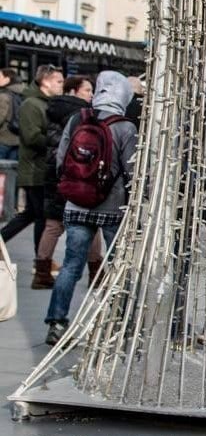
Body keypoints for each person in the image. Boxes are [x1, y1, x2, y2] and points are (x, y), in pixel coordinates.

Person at [45, 71, 137, 345]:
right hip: (111, 206)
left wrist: (75, 187)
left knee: (71, 266)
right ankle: (120, 321)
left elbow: (61, 159)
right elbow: (132, 170)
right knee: (118, 264)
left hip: (76, 204)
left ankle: (56, 322)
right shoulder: (125, 127)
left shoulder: (78, 119)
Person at [33, 75, 103, 289]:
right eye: (87, 90)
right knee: (90, 223)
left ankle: (42, 272)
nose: (91, 95)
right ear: (74, 91)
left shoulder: (53, 107)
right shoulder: (83, 115)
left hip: (55, 172)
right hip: (77, 173)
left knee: (53, 225)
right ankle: (96, 273)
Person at [2, 64, 64, 254]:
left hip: (39, 168)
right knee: (40, 217)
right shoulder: (32, 104)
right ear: (45, 81)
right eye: (58, 81)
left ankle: (38, 259)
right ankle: (41, 261)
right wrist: (58, 143)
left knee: (30, 214)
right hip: (34, 169)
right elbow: (31, 137)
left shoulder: (44, 102)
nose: (62, 85)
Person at [0, 67, 23, 160]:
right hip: (17, 140)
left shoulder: (3, 96)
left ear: (7, 79)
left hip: (3, 140)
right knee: (11, 172)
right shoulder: (21, 94)